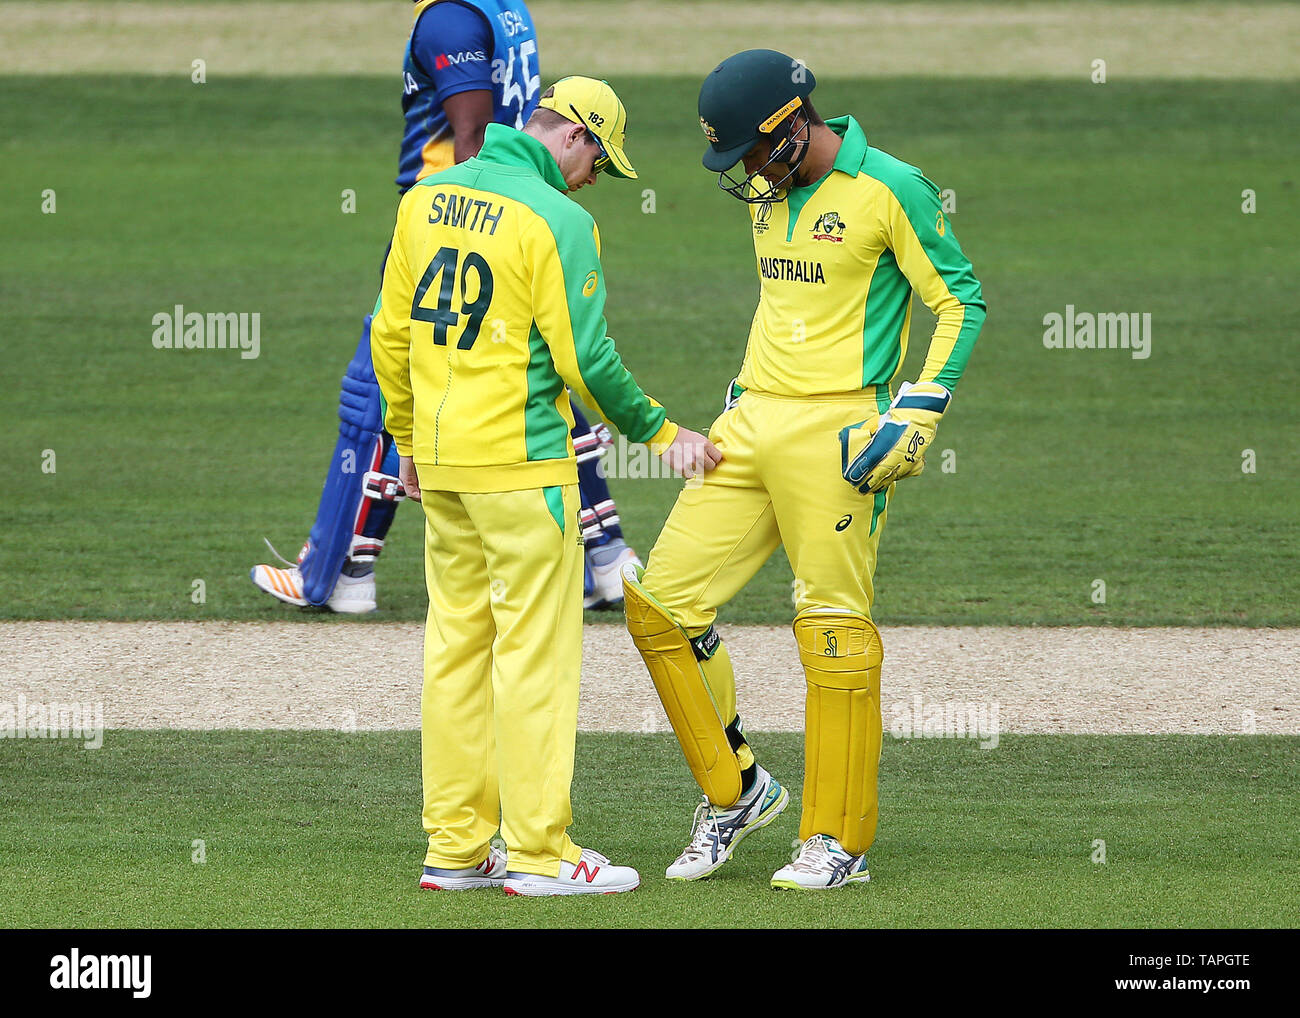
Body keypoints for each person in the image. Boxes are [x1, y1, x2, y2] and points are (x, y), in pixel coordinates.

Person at [621, 49, 986, 889]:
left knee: (832, 631)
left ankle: (837, 841)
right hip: (748, 421)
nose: (746, 172)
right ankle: (738, 791)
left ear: (792, 126)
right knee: (660, 607)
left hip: (838, 434)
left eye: (751, 151)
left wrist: (919, 406)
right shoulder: (770, 194)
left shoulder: (891, 186)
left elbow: (959, 299)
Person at [371, 76, 722, 895]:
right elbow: (586, 362)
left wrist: (407, 439)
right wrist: (664, 434)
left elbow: (390, 335)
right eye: (600, 162)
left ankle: (456, 849)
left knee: (456, 650)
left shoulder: (428, 195)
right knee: (535, 658)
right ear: (576, 137)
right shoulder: (561, 220)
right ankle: (539, 854)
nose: (595, 181)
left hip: (447, 467)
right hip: (525, 472)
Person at [250, 0, 641, 615]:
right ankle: (607, 553)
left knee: (381, 381)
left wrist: (462, 223)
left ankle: (339, 570)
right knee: (530, 371)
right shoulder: (507, 10)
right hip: (507, 215)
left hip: (447, 219)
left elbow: (474, 136)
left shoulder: (450, 18)